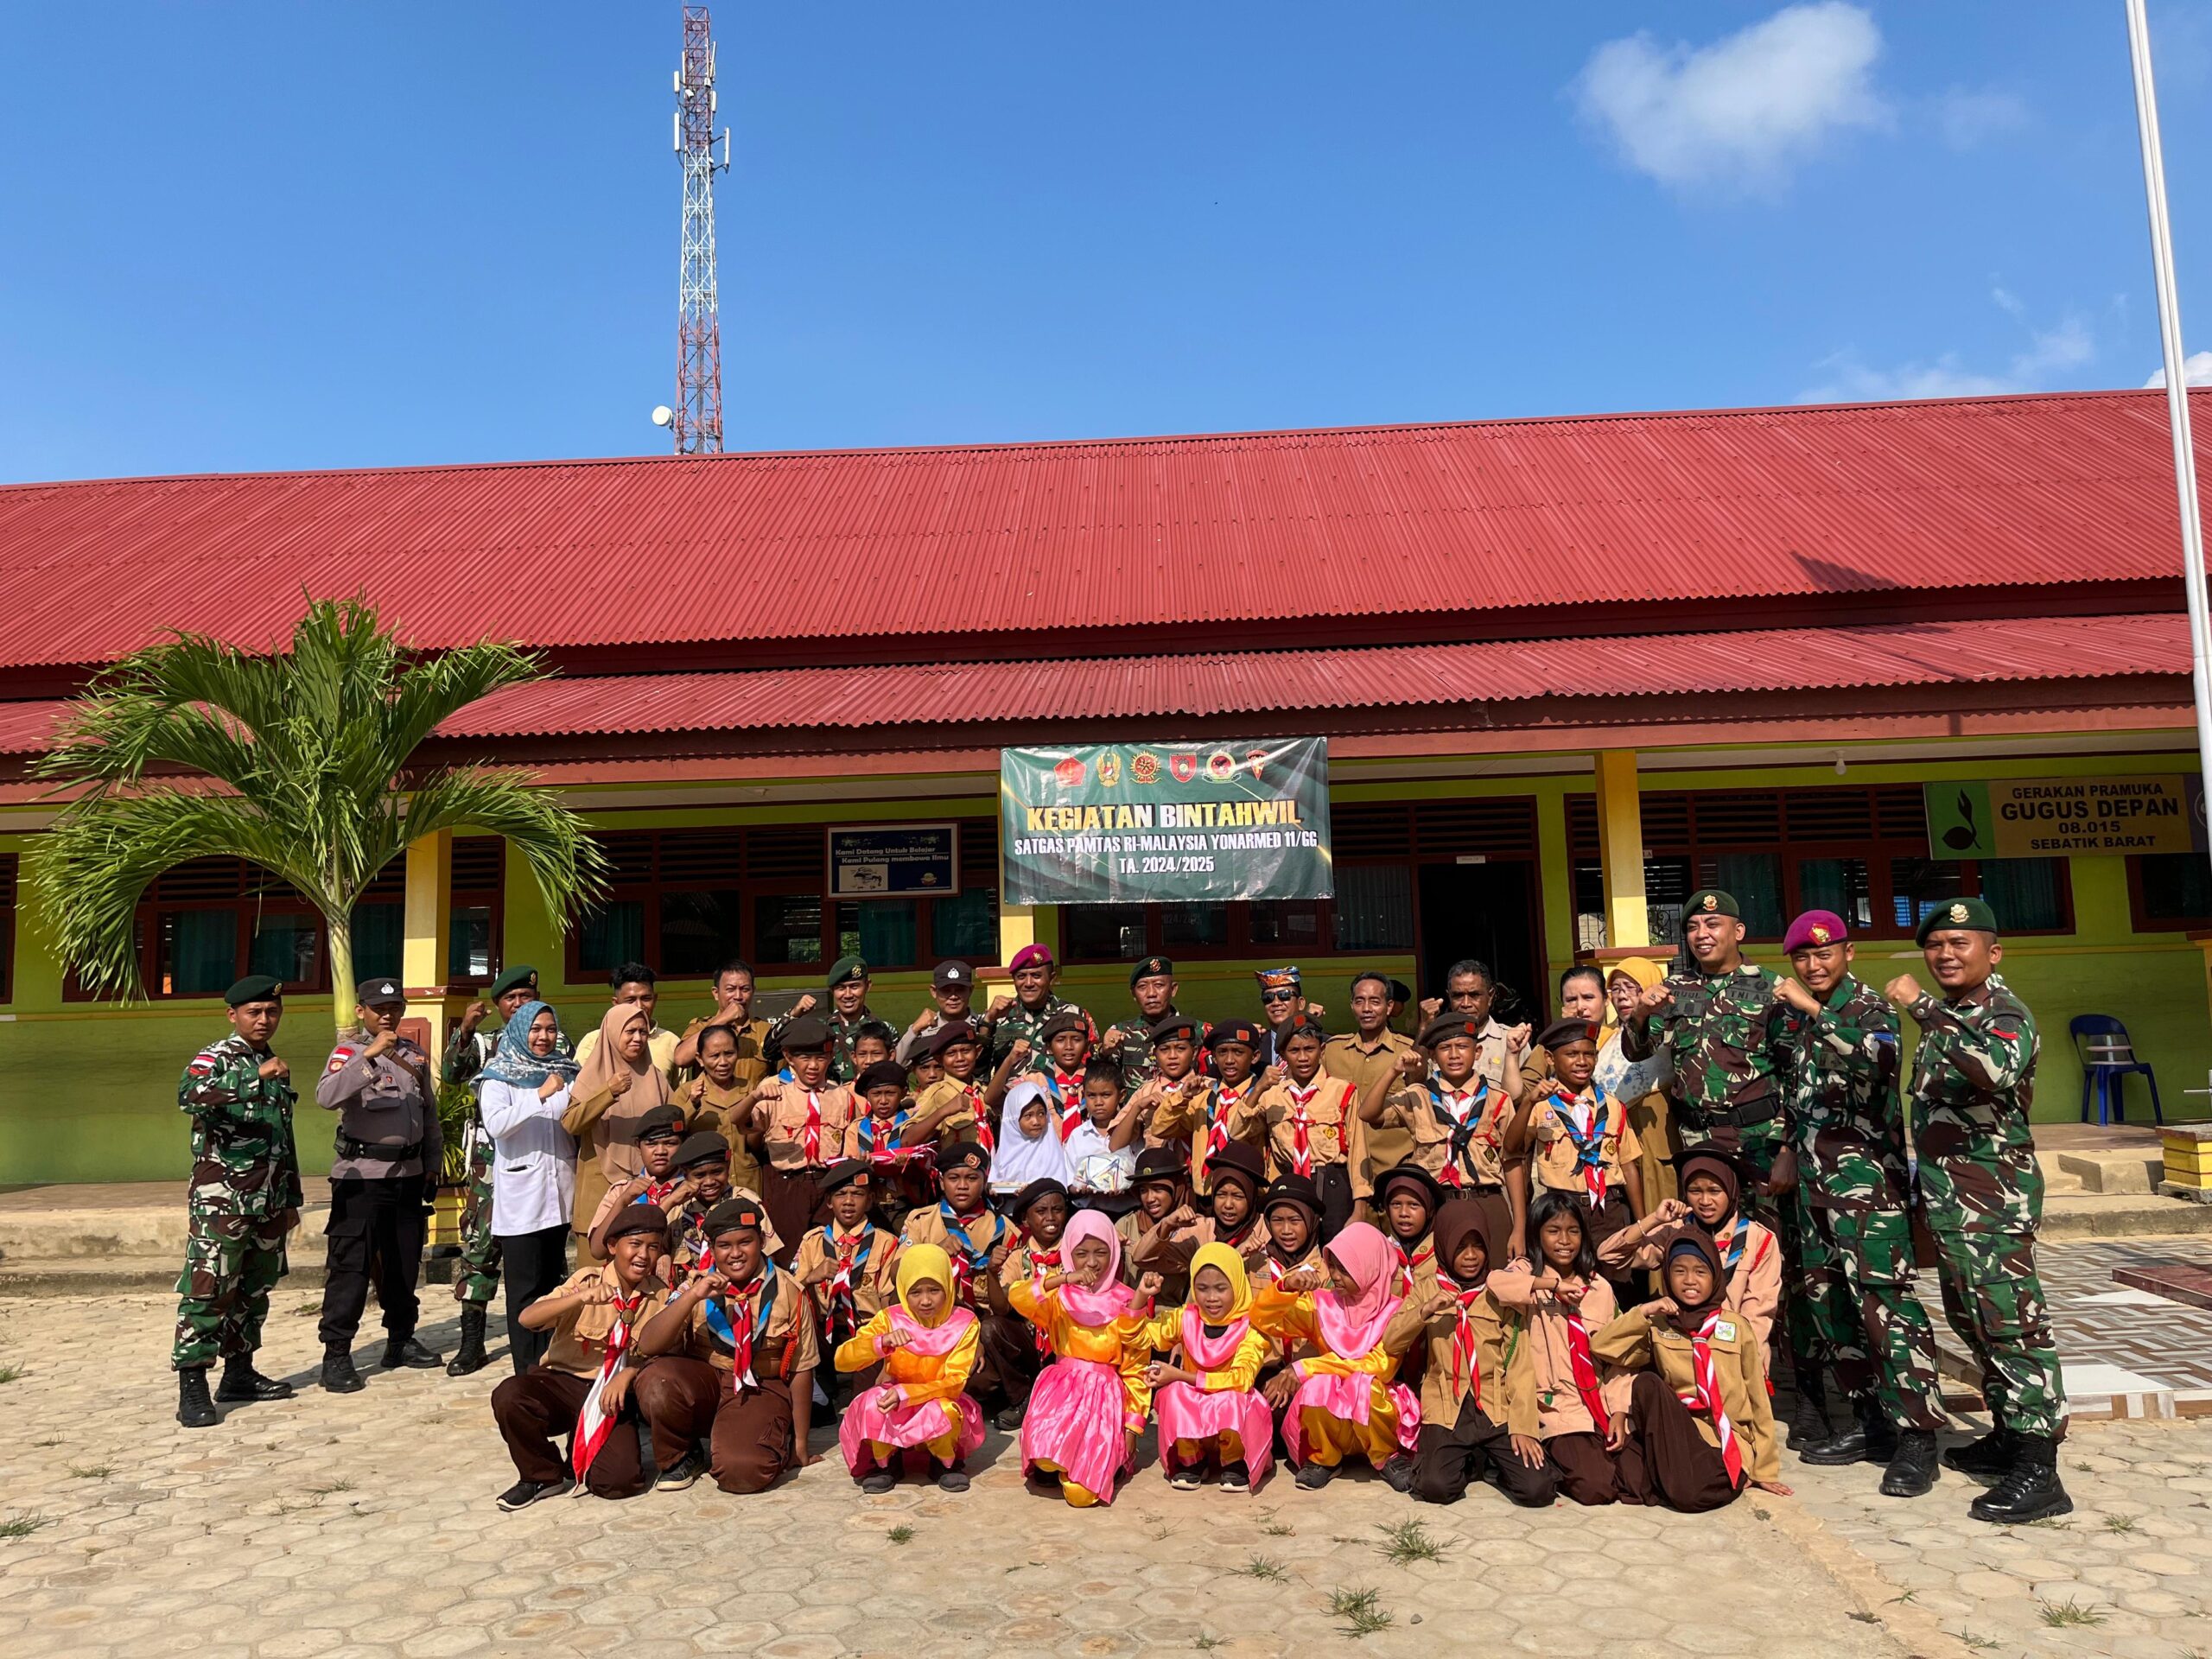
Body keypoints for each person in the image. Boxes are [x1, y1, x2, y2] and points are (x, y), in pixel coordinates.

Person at [1891, 897, 2070, 1523]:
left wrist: (1920, 1006)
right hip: (1951, 1202)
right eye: (1935, 944)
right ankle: (2007, 1434)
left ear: (1992, 952)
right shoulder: (1956, 1015)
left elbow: (1993, 1071)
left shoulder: (2002, 1013)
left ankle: (2040, 1466)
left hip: (1994, 1201)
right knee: (1974, 1320)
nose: (1944, 954)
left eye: (1959, 943)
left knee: (2014, 1325)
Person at [1619, 889, 1815, 1441]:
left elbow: (1797, 1071)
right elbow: (1639, 1051)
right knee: (1704, 1259)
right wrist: (1641, 1015)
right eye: (1693, 927)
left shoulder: (1769, 987)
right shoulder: (1675, 990)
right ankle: (1710, 1378)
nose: (1702, 934)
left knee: (1778, 1266)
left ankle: (1792, 1391)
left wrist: (1788, 1147)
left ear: (1738, 929)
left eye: (1713, 923)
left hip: (1760, 1142)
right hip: (1702, 1145)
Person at [1773, 908, 1947, 1499]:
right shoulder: (1795, 1016)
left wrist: (1816, 1013)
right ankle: (1871, 1423)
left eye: (1825, 953)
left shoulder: (1866, 1008)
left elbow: (1881, 1064)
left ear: (1850, 953)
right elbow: (1795, 1095)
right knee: (1830, 1307)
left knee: (1888, 1310)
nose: (1814, 964)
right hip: (1814, 1189)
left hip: (1868, 1188)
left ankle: (1918, 1437)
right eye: (1803, 956)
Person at [173, 974, 302, 1428]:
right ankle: (193, 1384)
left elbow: (281, 1138)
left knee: (254, 1290)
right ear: (233, 1015)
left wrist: (291, 1198)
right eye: (254, 1012)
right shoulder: (218, 1057)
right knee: (210, 1290)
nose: (264, 1020)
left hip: (268, 1200)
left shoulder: (273, 1060)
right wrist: (252, 1076)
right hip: (222, 1201)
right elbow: (188, 1096)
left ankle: (240, 1374)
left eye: (271, 1012)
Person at [632, 1194, 819, 1494]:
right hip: (708, 1383)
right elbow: (649, 1344)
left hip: (759, 1387)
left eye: (745, 1242)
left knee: (742, 1474)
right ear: (713, 1249)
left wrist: (800, 1444)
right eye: (724, 1245)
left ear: (760, 1241)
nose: (736, 1254)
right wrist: (693, 1296)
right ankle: (681, 1456)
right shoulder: (696, 1285)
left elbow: (803, 1368)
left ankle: (763, 1440)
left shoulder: (789, 1292)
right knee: (657, 1379)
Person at [1590, 1231, 1788, 1511]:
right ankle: (1673, 1480)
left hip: (1723, 1442)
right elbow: (1602, 1346)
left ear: (1715, 1276)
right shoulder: (1659, 1324)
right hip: (1678, 1435)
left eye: (1700, 1271)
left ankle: (1675, 1482)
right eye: (1679, 1271)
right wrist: (1644, 1311)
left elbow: (1758, 1399)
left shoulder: (1736, 1327)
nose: (1690, 1280)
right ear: (1667, 1275)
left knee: (1687, 1494)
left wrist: (1764, 1470)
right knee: (1646, 1386)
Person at [490, 1205, 671, 1510]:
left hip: (610, 1395)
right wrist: (577, 1299)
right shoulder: (586, 1281)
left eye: (653, 1247)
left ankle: (581, 1444)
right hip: (562, 1383)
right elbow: (528, 1318)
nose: (643, 1255)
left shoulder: (661, 1295)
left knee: (618, 1482)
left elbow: (662, 1351)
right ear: (613, 1246)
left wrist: (628, 1375)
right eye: (635, 1245)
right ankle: (541, 1476)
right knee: (510, 1396)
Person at [316, 976, 443, 1390]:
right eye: (379, 1009)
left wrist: (431, 1164)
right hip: (362, 1180)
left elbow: (428, 1116)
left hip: (407, 1177)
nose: (388, 1015)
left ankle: (401, 1339)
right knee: (351, 1266)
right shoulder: (347, 1053)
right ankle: (336, 1354)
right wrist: (367, 1058)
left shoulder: (415, 1056)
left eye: (394, 1008)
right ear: (361, 1011)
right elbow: (327, 1096)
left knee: (404, 1263)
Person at [1389, 1198, 1551, 1507]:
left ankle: (1492, 1458)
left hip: (1493, 1406)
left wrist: (1524, 1427)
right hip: (1447, 1405)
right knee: (1436, 1487)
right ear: (1445, 1243)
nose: (1471, 1256)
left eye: (1478, 1245)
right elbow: (1392, 1341)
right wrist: (1425, 1311)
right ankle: (1472, 1460)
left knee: (1537, 1489)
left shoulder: (1499, 1290)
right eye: (1461, 1246)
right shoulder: (1427, 1287)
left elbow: (1519, 1365)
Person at [1250, 1222, 1420, 1491]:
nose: (1336, 1276)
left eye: (1346, 1269)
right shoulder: (1322, 1303)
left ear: (1370, 1268)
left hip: (1377, 1412)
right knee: (1318, 1387)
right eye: (1334, 1267)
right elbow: (1263, 1319)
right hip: (1335, 1411)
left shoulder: (1395, 1311)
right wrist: (1286, 1286)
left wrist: (1306, 1368)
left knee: (1365, 1385)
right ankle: (1324, 1457)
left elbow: (1380, 1366)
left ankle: (1387, 1455)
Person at [442, 963, 550, 1376]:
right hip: (490, 1165)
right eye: (512, 999)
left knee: (542, 1255)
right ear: (500, 1007)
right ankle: (472, 1343)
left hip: (541, 1159)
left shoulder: (553, 1043)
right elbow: (452, 1074)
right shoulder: (486, 1045)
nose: (520, 1004)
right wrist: (465, 1030)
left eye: (527, 997)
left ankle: (544, 1338)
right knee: (480, 1249)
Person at [1008, 1210, 1159, 1507]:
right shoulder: (1061, 1296)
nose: (1092, 1263)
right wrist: (1063, 1278)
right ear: (1068, 1254)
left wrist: (1133, 1426)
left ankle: (1096, 1464)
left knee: (1081, 1495)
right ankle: (1058, 1463)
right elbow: (1018, 1297)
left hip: (1104, 1400)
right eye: (1082, 1254)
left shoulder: (1129, 1298)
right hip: (1060, 1393)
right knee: (1045, 1458)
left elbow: (1137, 1365)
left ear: (1114, 1253)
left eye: (1102, 1252)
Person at [1490, 1190, 1629, 1504]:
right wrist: (1551, 1285)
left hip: (1596, 1406)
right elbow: (1496, 1284)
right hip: (1553, 1409)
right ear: (1538, 1236)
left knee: (1635, 1479)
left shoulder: (1598, 1288)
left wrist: (1620, 1410)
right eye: (1553, 1231)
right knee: (1598, 1490)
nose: (1564, 1240)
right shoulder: (1527, 1274)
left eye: (1573, 1231)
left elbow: (1619, 1357)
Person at [474, 998, 581, 1376]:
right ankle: (527, 1372)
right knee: (524, 1290)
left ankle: (553, 1362)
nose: (544, 1037)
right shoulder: (497, 1076)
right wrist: (539, 1094)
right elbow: (498, 1125)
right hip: (522, 1200)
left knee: (555, 1286)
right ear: (519, 1032)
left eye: (550, 1029)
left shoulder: (567, 1072)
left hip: (561, 1194)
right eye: (536, 1029)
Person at [1601, 1150, 1781, 1376]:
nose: (1705, 1201)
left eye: (1715, 1191)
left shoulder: (1759, 1239)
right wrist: (1653, 1219)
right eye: (1695, 1191)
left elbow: (1758, 1314)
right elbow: (1609, 1256)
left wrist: (1733, 1367)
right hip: (1680, 1359)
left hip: (1738, 1360)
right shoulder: (1675, 1231)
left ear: (1732, 1191)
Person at [833, 1243, 985, 1493]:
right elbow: (842, 1360)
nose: (925, 1300)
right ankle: (887, 1463)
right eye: (915, 1292)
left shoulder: (965, 1322)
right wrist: (881, 1343)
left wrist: (907, 1394)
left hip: (939, 1396)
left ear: (948, 1286)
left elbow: (955, 1381)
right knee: (873, 1403)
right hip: (895, 1396)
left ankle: (944, 1463)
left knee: (945, 1411)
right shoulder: (889, 1318)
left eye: (934, 1290)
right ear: (903, 1290)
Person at [1368, 1014, 1522, 1250]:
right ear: (1432, 1056)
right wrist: (1394, 1071)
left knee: (1494, 1276)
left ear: (1477, 1052)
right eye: (1444, 1048)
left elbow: (1512, 1162)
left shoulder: (1497, 1099)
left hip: (1486, 1199)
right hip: (1437, 1202)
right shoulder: (1418, 1096)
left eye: (1462, 1047)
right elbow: (1368, 1114)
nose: (1453, 1055)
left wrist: (1519, 1227)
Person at [1135, 1242, 1276, 1493]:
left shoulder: (1250, 1328)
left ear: (1237, 1285)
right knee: (1174, 1393)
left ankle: (1235, 1462)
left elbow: (1242, 1379)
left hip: (1233, 1424)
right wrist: (1141, 1298)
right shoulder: (1186, 1317)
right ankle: (1192, 1460)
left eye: (1221, 1289)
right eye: (1202, 1289)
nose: (1211, 1298)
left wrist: (1180, 1375)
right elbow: (1140, 1336)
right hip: (1196, 1419)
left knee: (1232, 1398)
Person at [1507, 1017, 1645, 1270]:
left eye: (1589, 1054)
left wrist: (1641, 1224)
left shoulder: (1613, 1107)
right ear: (1550, 1058)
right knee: (1566, 1280)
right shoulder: (1540, 1105)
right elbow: (1512, 1149)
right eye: (1571, 1054)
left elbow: (1628, 1166)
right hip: (1562, 1210)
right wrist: (1527, 1102)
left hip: (1610, 1209)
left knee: (1616, 1281)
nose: (1582, 1062)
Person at [900, 1141, 1023, 1423]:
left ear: (984, 1180)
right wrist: (932, 1253)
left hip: (984, 1323)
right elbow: (897, 1272)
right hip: (934, 1322)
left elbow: (1010, 1300)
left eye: (972, 1178)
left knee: (977, 1382)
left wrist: (977, 1338)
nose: (963, 1186)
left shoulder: (1004, 1229)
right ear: (941, 1182)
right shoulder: (921, 1221)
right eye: (954, 1178)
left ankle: (1011, 1391)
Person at [743, 1015, 856, 1264]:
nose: (814, 1065)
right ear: (789, 1056)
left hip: (827, 1183)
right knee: (785, 1255)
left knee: (830, 1254)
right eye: (805, 1058)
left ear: (830, 1056)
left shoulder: (842, 1097)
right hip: (787, 1185)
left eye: (821, 1057)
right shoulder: (773, 1091)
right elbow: (746, 1131)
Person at [794, 1160, 900, 1421]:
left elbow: (889, 1303)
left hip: (867, 1331)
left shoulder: (886, 1243)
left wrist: (890, 1358)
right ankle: (821, 1391)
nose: (849, 1201)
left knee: (868, 1407)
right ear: (829, 1202)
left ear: (870, 1200)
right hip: (823, 1333)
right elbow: (788, 1294)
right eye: (841, 1194)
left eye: (857, 1194)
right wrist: (811, 1276)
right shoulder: (812, 1242)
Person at [563, 1003, 673, 1249]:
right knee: (597, 1274)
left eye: (643, 1032)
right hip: (601, 1185)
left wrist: (692, 1101)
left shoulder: (655, 1076)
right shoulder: (592, 1075)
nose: (638, 1038)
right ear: (612, 1033)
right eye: (630, 1031)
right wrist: (608, 1092)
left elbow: (674, 1120)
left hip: (648, 1186)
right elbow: (571, 1123)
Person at [1238, 1014, 1355, 1239]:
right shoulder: (1271, 1095)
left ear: (1322, 1050)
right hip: (1289, 1181)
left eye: (1309, 1049)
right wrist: (1259, 1087)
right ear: (1282, 1055)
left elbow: (1359, 1151)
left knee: (1333, 1250)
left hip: (1333, 1185)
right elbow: (1237, 1131)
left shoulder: (1343, 1090)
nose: (1303, 1058)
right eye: (1294, 1051)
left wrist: (1359, 1206)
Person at [1321, 973, 1421, 1212]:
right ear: (1352, 1006)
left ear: (1389, 1007)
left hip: (1395, 1172)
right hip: (1345, 1177)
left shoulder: (1407, 1052)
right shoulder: (1333, 1050)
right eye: (1359, 1001)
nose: (1367, 1008)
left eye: (1375, 1001)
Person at [988, 1177, 1074, 1430]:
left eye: (1057, 1210)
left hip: (1069, 1340)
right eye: (1041, 1211)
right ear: (1026, 1220)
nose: (1050, 1217)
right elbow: (1001, 1309)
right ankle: (1022, 1399)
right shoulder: (1016, 1259)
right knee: (992, 1328)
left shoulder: (1075, 1252)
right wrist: (992, 1273)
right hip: (1030, 1341)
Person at [1147, 1019, 1269, 1196]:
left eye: (1238, 1052)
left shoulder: (1263, 1096)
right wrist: (1183, 1097)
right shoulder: (1204, 1097)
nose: (1229, 1060)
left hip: (1246, 1195)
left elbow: (1237, 1130)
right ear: (1214, 1056)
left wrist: (1257, 1091)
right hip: (1205, 1195)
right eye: (1222, 1052)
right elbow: (1159, 1128)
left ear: (1255, 1056)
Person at [1599, 957, 1678, 1217]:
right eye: (1616, 989)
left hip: (1655, 1129)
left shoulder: (1666, 1028)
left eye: (1631, 988)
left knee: (1659, 1196)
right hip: (1618, 1132)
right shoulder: (1607, 1035)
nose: (1622, 996)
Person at [582, 1104, 690, 1259]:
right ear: (638, 1147)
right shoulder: (622, 1191)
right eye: (651, 1144)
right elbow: (598, 1251)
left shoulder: (691, 1191)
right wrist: (623, 1202)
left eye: (670, 1143)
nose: (660, 1151)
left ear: (683, 1145)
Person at [844, 1058, 933, 1225]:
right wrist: (860, 1166)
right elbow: (848, 1168)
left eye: (890, 1093)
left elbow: (926, 1167)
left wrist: (909, 1165)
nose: (883, 1100)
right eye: (876, 1094)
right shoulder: (856, 1129)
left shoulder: (912, 1126)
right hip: (869, 1206)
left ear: (903, 1092)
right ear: (866, 1096)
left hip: (905, 1204)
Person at [984, 943, 1096, 1071]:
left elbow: (1093, 1064)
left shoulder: (1074, 1014)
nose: (1028, 983)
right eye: (1021, 976)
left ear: (1052, 978)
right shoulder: (999, 1017)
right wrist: (988, 1022)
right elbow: (978, 1069)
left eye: (1036, 976)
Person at [671, 957, 772, 1097]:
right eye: (730, 989)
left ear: (753, 991)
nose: (738, 996)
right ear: (715, 993)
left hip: (753, 1112)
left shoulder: (767, 1031)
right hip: (710, 1114)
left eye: (745, 989)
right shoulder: (700, 1026)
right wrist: (723, 1019)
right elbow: (681, 1059)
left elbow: (785, 1075)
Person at [687, 1022, 768, 1195]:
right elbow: (676, 1133)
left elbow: (756, 1145)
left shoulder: (751, 1089)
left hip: (746, 1182)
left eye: (729, 1054)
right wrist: (692, 1103)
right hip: (705, 1187)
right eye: (714, 1056)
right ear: (700, 1059)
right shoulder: (687, 1092)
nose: (723, 1062)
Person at [767, 955, 876, 1083]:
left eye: (854, 987)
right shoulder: (817, 1028)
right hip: (824, 1100)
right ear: (832, 990)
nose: (847, 995)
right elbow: (770, 1052)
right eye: (840, 988)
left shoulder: (882, 1030)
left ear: (868, 986)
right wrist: (793, 1014)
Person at [572, 963, 680, 1080]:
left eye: (646, 999)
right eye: (630, 1000)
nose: (639, 1006)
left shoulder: (671, 1043)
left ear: (655, 1000)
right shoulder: (593, 1041)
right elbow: (581, 1091)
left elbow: (680, 1096)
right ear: (616, 1003)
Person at [1120, 1145, 1198, 1306]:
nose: (1150, 1198)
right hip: (1133, 1317)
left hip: (1175, 1322)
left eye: (1158, 1189)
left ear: (1176, 1188)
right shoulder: (1126, 1225)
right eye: (1143, 1190)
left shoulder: (1196, 1228)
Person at [1065, 1059, 1143, 1207]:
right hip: (1088, 1212)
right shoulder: (1078, 1135)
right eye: (1091, 1095)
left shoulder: (1134, 1131)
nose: (1098, 1102)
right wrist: (1079, 1189)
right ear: (1083, 1095)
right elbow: (1069, 1179)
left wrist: (1125, 1185)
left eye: (1106, 1095)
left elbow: (1140, 1172)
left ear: (1122, 1095)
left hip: (1126, 1210)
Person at [1101, 955, 1189, 1083]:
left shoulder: (1197, 1031)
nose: (1151, 993)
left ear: (1173, 989)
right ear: (1134, 994)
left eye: (1159, 985)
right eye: (1142, 987)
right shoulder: (1122, 1034)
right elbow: (1100, 1079)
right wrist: (1104, 1052)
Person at [990, 1077, 1073, 1206]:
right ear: (1013, 1118)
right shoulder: (1005, 1154)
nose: (1036, 1121)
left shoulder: (1051, 1150)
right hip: (1011, 1216)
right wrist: (997, 1192)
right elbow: (992, 1186)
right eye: (1028, 1116)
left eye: (1041, 1114)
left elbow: (1060, 1187)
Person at [1027, 1009, 1096, 1140]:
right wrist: (1010, 1060)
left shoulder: (1097, 1079)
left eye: (1076, 1040)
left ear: (1087, 1046)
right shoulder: (1035, 1080)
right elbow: (992, 1099)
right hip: (1048, 1155)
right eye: (1060, 1040)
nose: (1069, 1046)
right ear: (1048, 1047)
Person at [898, 959, 979, 1068]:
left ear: (970, 990)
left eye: (960, 990)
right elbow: (897, 1067)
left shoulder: (981, 1027)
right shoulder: (924, 1031)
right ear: (934, 992)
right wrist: (913, 1030)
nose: (953, 997)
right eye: (946, 990)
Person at [1257, 1176, 1327, 1284]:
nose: (1286, 1230)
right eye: (1278, 1220)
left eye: (1294, 1220)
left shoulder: (1325, 1274)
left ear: (1312, 1222)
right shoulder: (1254, 1264)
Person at [1252, 966, 1324, 1068]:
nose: (1276, 1003)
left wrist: (1307, 1019)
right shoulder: (1254, 1045)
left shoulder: (1324, 1043)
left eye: (1284, 995)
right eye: (1268, 998)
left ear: (1301, 1003)